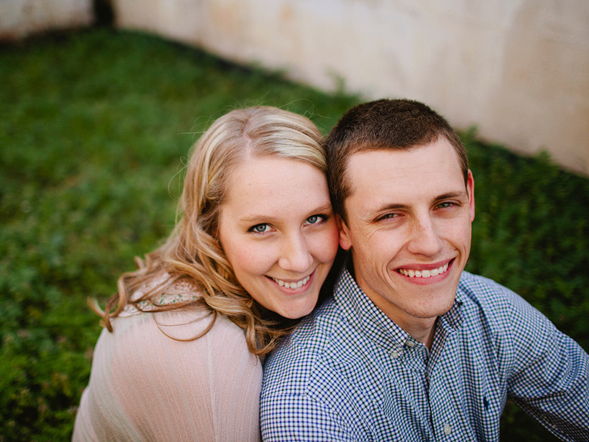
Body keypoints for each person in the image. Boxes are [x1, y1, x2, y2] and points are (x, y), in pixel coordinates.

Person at [260, 99, 589, 441]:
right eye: (390, 215)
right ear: (342, 228)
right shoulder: (311, 404)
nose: (429, 244)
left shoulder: (494, 313)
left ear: (470, 197)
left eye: (445, 204)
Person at [72, 106, 340, 441]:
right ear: (210, 228)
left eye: (315, 219)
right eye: (261, 227)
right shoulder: (205, 357)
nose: (299, 260)